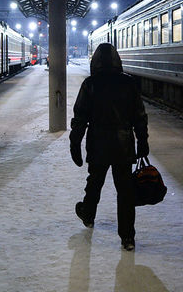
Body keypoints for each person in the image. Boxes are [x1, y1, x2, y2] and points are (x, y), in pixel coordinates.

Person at [69, 43, 149, 251]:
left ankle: (87, 215)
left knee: (94, 182)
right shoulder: (129, 83)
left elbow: (80, 117)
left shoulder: (90, 84)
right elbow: (139, 116)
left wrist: (75, 142)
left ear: (95, 62)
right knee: (125, 192)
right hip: (123, 145)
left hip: (98, 144)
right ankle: (128, 238)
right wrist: (142, 140)